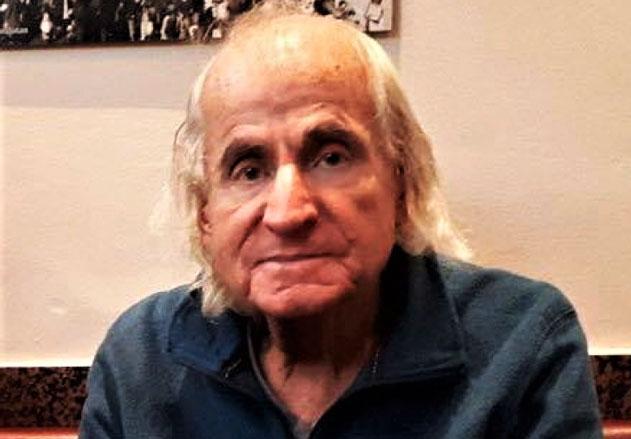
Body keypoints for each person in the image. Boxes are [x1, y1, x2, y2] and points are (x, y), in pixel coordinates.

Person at [79, 1, 602, 438]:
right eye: (249, 170)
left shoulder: (522, 346)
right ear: (204, 216)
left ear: (404, 183)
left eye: (330, 157)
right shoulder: (140, 363)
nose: (288, 213)